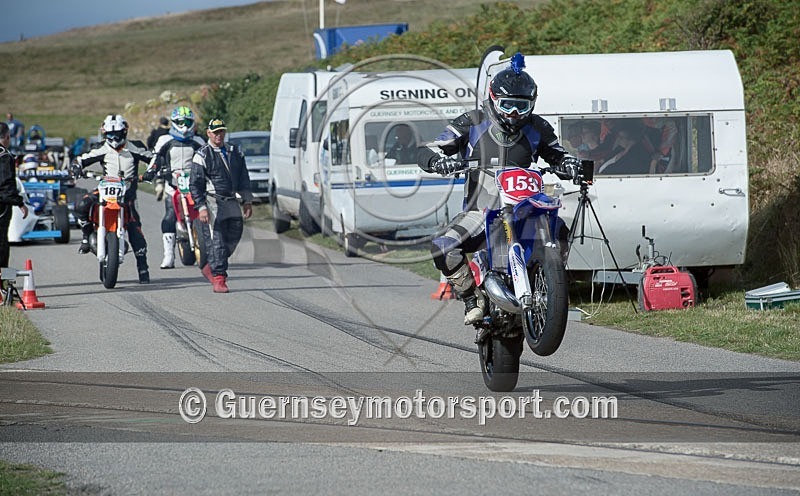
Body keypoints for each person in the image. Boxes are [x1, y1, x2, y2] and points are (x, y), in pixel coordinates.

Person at [417, 53, 580, 325]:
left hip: (526, 206)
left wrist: (569, 164)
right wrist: (437, 161)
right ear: (493, 98)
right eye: (508, 105)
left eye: (521, 106)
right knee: (443, 245)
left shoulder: (537, 126)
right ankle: (471, 297)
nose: (515, 114)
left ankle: (549, 285)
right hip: (480, 210)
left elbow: (557, 154)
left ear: (532, 104)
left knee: (560, 229)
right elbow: (431, 148)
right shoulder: (471, 121)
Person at [73, 115, 151, 283]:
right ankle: (86, 236)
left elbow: (154, 159)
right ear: (104, 134)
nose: (114, 138)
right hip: (104, 192)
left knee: (135, 228)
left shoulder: (135, 147)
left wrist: (152, 171)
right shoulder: (100, 148)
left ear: (125, 132)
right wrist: (76, 168)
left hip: (127, 196)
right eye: (110, 134)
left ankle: (143, 268)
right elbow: (81, 160)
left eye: (117, 134)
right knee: (81, 204)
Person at [189, 118, 253, 293]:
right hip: (212, 200)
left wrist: (247, 200)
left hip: (232, 200)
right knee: (216, 238)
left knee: (235, 234)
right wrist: (201, 206)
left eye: (221, 131)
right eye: (215, 132)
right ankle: (219, 277)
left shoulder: (235, 152)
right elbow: (195, 184)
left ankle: (211, 265)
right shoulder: (202, 155)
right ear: (209, 133)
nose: (219, 135)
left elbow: (244, 178)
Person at [141, 106, 205, 269]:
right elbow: (155, 159)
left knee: (205, 213)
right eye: (180, 122)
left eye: (187, 122)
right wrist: (151, 172)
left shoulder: (198, 141)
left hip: (194, 185)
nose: (184, 126)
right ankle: (168, 255)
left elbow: (208, 160)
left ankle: (209, 247)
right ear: (174, 123)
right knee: (169, 215)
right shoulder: (164, 140)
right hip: (173, 185)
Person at [0, 122, 28, 271]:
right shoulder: (4, 156)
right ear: (7, 137)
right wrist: (19, 203)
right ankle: (3, 283)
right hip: (2, 207)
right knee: (2, 244)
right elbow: (6, 184)